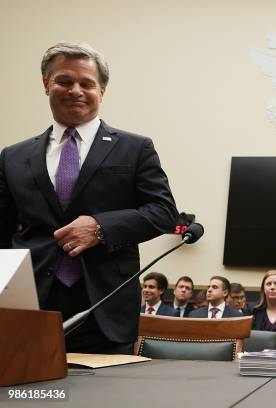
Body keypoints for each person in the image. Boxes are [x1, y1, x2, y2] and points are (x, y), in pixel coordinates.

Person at [0, 42, 178, 354]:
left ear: (102, 90)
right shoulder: (13, 157)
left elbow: (163, 212)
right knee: (29, 400)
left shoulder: (135, 148)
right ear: (46, 85)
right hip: (32, 304)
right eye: (64, 81)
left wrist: (100, 227)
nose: (76, 91)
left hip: (105, 305)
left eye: (87, 83)